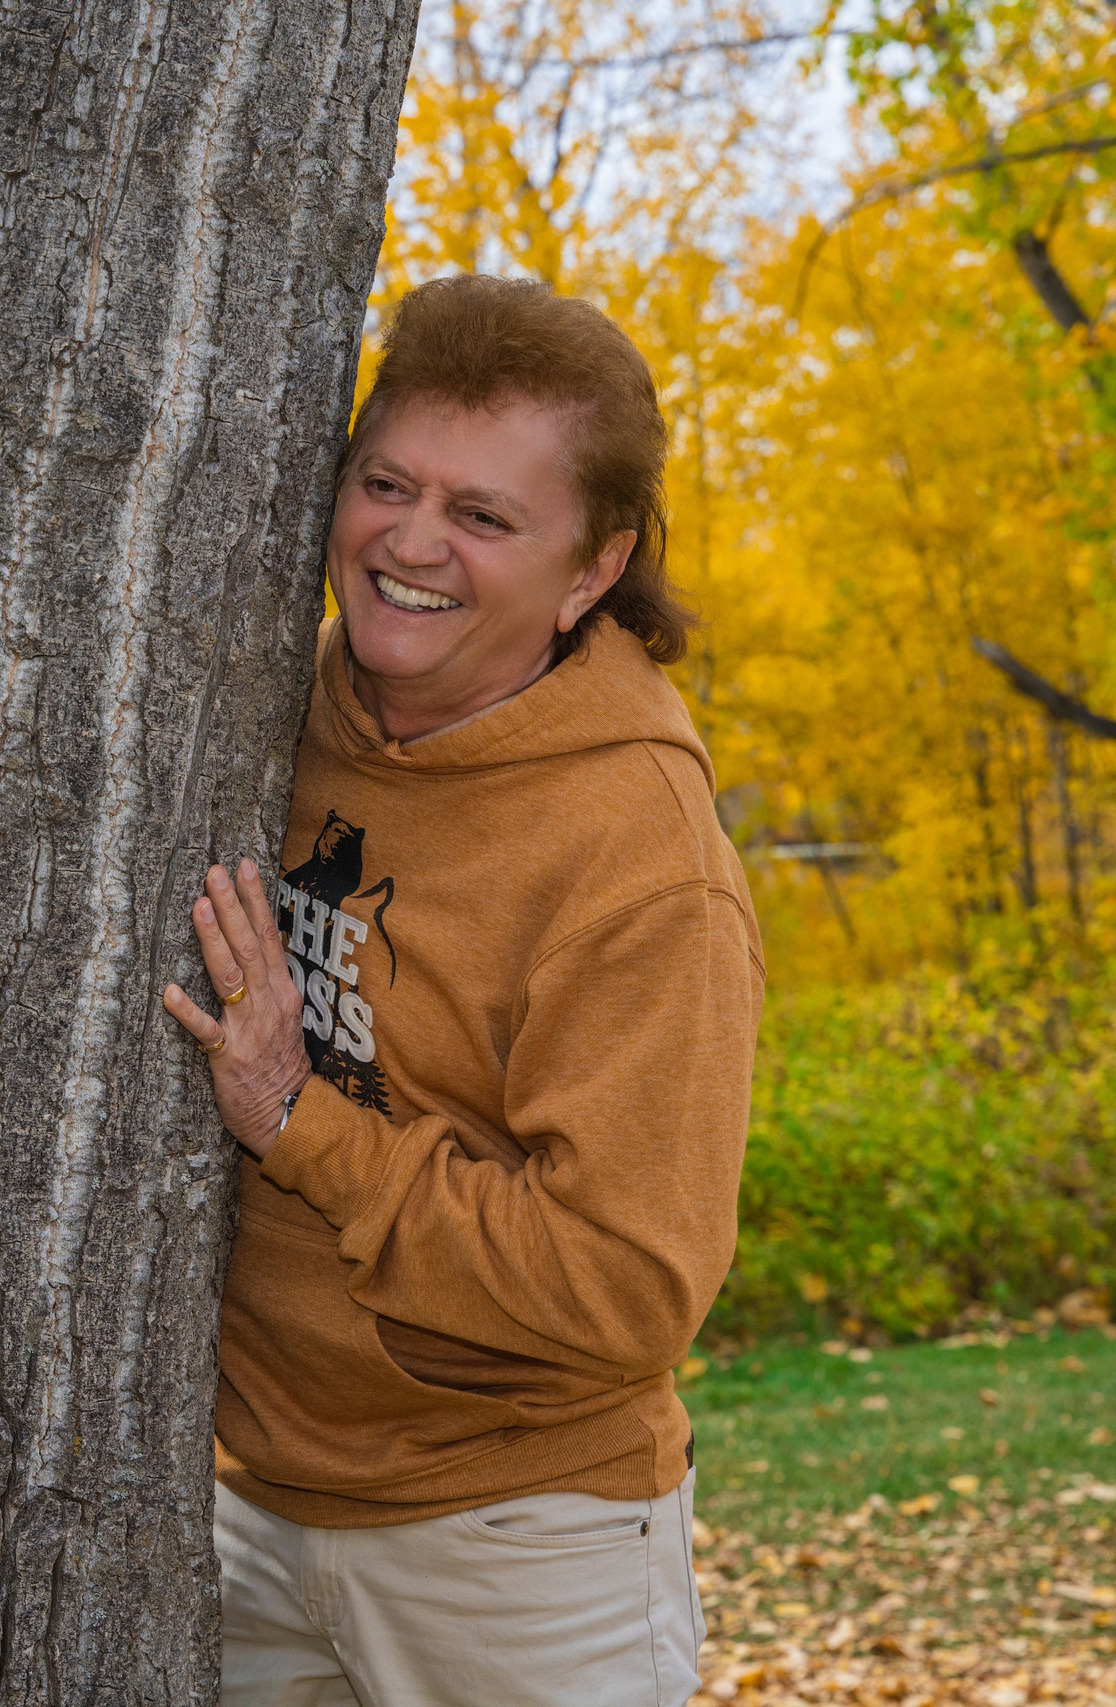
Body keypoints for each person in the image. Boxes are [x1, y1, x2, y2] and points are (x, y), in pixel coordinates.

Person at [164, 275, 761, 1706]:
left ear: (593, 570)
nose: (413, 542)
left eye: (484, 516)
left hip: (519, 1546)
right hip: (244, 1509)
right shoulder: (263, 699)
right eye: (387, 484)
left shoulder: (640, 865)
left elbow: (626, 1286)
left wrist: (296, 1120)